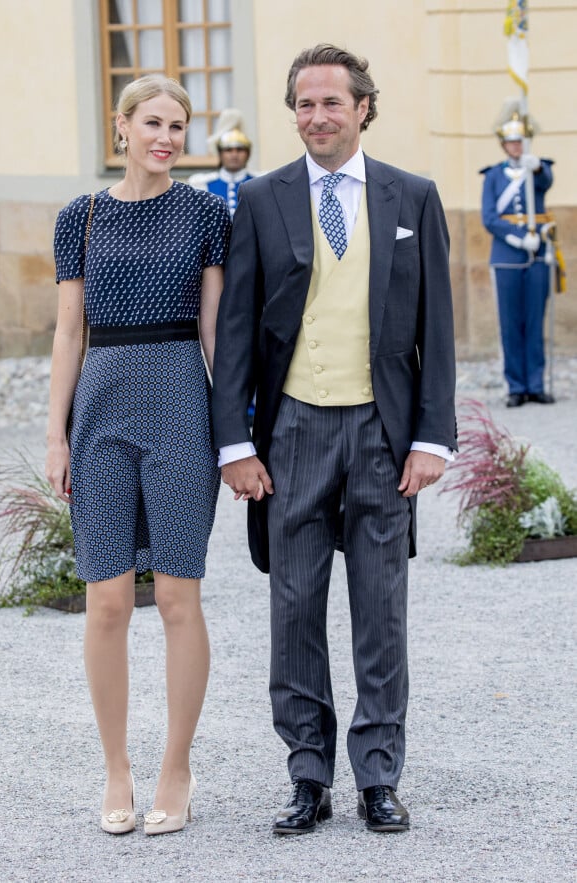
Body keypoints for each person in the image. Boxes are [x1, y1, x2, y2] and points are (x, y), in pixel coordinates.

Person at [211, 44, 457, 835]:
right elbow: (238, 328)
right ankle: (307, 773)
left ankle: (378, 775)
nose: (317, 116)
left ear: (362, 108)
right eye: (304, 104)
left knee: (381, 610)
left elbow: (439, 332)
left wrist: (432, 438)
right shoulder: (261, 198)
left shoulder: (412, 197)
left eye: (331, 103)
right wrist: (235, 444)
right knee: (294, 609)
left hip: (382, 433)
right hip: (292, 431)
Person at [45, 74, 231, 836]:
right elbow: (66, 333)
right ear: (120, 126)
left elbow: (218, 335)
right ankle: (116, 767)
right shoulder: (79, 217)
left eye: (178, 126)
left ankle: (175, 766)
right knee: (108, 600)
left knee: (180, 599)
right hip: (101, 411)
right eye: (152, 122)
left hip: (183, 403)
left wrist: (238, 435)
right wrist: (55, 433)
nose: (166, 137)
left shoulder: (208, 215)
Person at [480, 108, 555, 407]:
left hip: (538, 255)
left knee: (535, 321)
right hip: (507, 256)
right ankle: (515, 385)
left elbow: (545, 183)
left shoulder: (537, 169)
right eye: (511, 143)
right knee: (511, 324)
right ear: (503, 145)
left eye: (521, 141)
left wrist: (535, 167)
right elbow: (489, 217)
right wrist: (518, 236)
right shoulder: (494, 176)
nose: (516, 147)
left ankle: (535, 383)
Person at [189, 108, 256, 217]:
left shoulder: (258, 182)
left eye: (239, 149)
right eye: (228, 150)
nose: (234, 154)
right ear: (220, 153)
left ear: (248, 153)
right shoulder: (202, 184)